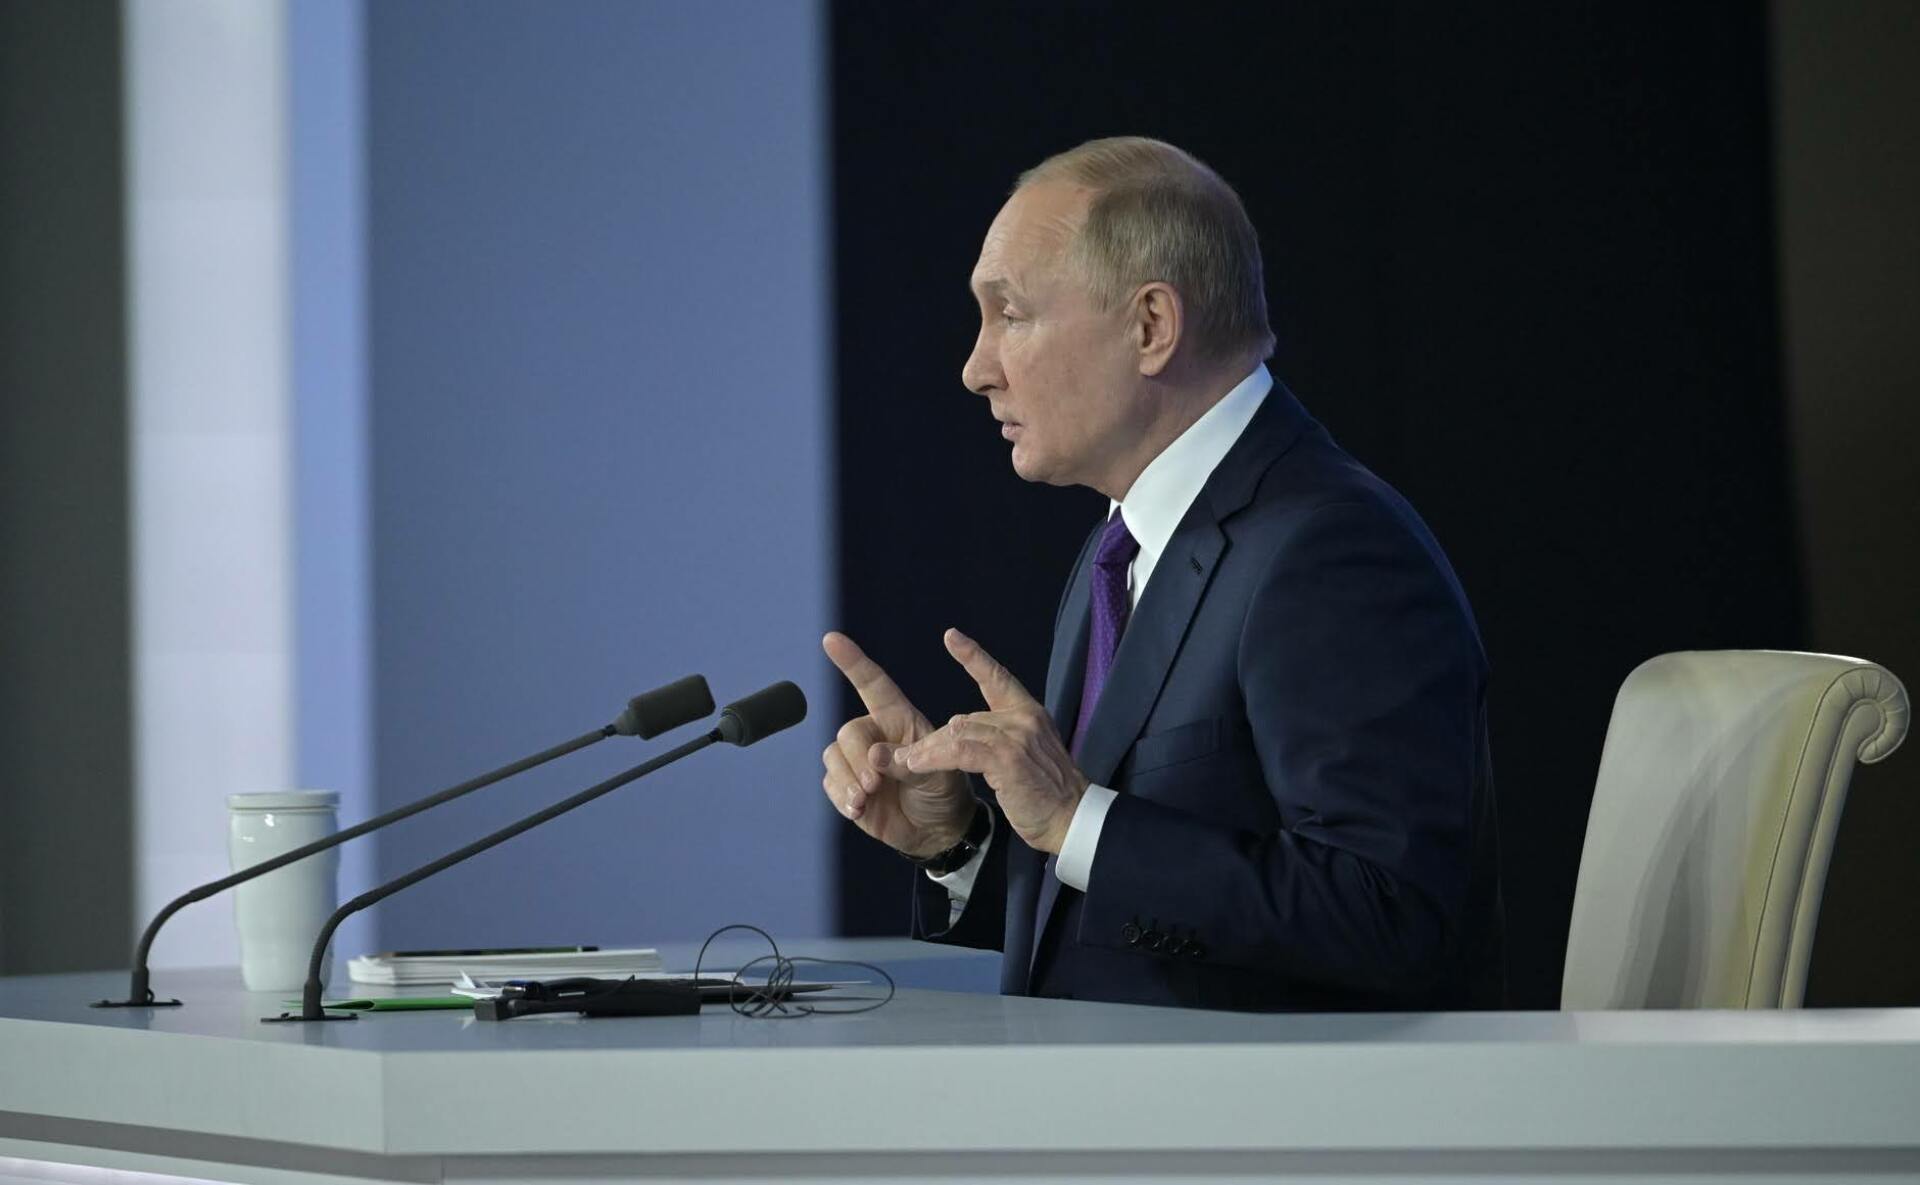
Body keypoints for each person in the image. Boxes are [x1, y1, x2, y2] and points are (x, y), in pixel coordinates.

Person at [820, 137, 1505, 1011]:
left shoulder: (1332, 549)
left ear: (1151, 326)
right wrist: (957, 841)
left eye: (1010, 314)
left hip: (1279, 1101)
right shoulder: (1121, 548)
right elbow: (1111, 926)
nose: (975, 368)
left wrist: (1076, 818)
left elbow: (1389, 915)